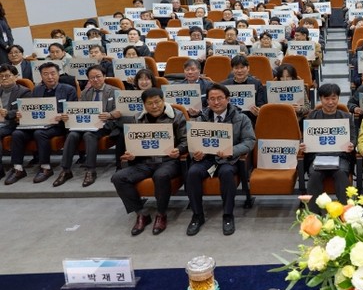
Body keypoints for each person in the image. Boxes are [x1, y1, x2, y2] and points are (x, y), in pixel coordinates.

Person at [111, 88, 187, 235]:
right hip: (144, 162)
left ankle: (161, 214)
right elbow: (133, 144)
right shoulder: (137, 118)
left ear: (163, 100)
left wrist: (179, 149)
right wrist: (131, 155)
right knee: (118, 178)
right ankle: (141, 213)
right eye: (150, 103)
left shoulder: (177, 116)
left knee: (161, 176)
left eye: (157, 102)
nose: (154, 106)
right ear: (144, 105)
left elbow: (185, 140)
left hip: (169, 161)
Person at [185, 84, 255, 236]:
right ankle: (197, 215)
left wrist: (231, 151)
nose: (216, 102)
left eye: (219, 98)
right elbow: (191, 142)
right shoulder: (200, 119)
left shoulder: (241, 118)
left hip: (229, 160)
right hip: (206, 159)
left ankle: (228, 215)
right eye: (212, 99)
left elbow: (249, 141)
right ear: (207, 101)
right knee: (192, 172)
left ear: (227, 99)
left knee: (227, 173)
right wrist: (195, 154)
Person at [4, 62, 78, 185]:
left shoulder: (68, 89)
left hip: (58, 125)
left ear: (58, 74)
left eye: (53, 73)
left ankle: (45, 167)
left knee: (40, 133)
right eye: (46, 74)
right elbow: (31, 108)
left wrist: (62, 115)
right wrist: (22, 114)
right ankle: (18, 168)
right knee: (17, 133)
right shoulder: (37, 89)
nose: (50, 77)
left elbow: (73, 110)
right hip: (37, 123)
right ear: (41, 76)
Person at [53, 65, 121, 187]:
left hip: (105, 124)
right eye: (92, 78)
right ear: (88, 79)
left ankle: (90, 170)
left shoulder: (115, 91)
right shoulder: (85, 92)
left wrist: (110, 114)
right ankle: (66, 170)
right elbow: (78, 109)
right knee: (72, 135)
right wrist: (68, 115)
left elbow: (120, 110)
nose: (95, 80)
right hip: (85, 123)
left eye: (98, 76)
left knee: (89, 135)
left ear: (104, 76)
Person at [299, 83, 356, 214]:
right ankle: (314, 214)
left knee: (341, 173)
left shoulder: (346, 117)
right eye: (326, 98)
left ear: (338, 98)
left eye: (334, 98)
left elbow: (353, 138)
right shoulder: (312, 117)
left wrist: (352, 144)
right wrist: (303, 145)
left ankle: (345, 213)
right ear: (320, 99)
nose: (330, 102)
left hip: (340, 156)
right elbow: (306, 139)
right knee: (314, 175)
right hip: (317, 157)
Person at [0, 65, 31, 180]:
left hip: (12, 123)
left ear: (16, 76)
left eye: (7, 76)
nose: (4, 78)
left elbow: (24, 110)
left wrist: (8, 113)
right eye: (1, 76)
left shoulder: (24, 91)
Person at [221, 55, 266, 126]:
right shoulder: (224, 85)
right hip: (229, 121)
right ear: (232, 70)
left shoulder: (256, 84)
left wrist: (258, 111)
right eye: (236, 68)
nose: (239, 71)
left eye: (242, 67)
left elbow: (261, 104)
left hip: (250, 120)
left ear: (248, 68)